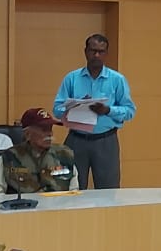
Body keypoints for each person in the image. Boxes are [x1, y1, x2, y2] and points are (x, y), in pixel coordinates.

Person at [52, 34, 135, 189]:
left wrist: (108, 110)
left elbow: (130, 111)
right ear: (85, 52)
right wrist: (74, 106)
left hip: (106, 140)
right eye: (93, 51)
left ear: (106, 54)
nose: (96, 55)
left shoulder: (117, 79)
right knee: (70, 187)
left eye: (101, 52)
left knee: (108, 190)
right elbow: (57, 109)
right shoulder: (72, 78)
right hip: (76, 140)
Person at [0, 107, 78, 194]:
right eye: (44, 129)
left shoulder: (64, 155)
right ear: (27, 134)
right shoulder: (10, 157)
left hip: (59, 204)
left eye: (50, 129)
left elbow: (74, 191)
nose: (50, 134)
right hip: (23, 204)